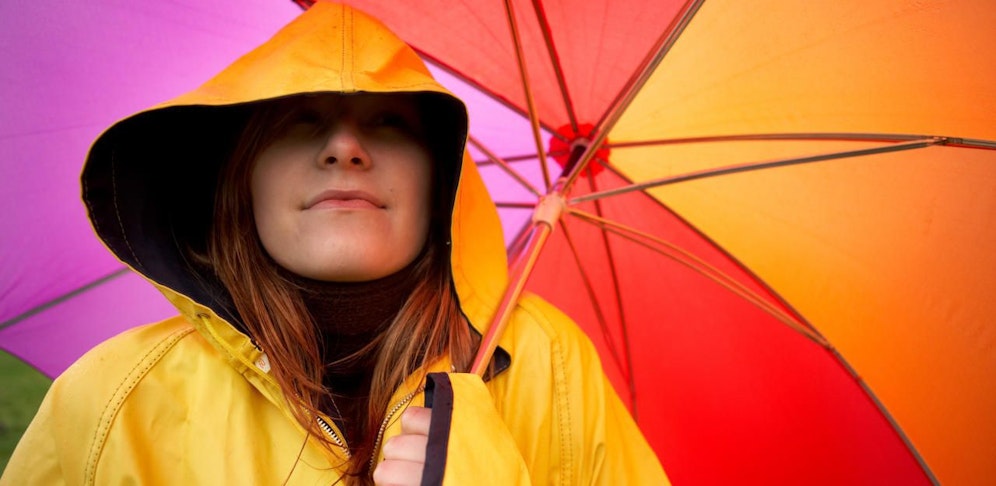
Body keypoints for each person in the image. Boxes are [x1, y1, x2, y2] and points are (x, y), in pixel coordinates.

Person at [2, 2, 668, 484]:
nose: (346, 148)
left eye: (387, 123)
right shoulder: (111, 398)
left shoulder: (548, 363)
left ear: (440, 181)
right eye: (300, 122)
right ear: (241, 182)